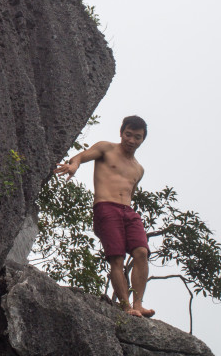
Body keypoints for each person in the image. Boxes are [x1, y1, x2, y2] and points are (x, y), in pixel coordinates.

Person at [53, 115, 155, 318]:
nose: (131, 140)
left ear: (142, 140)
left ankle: (138, 304)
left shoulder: (138, 169)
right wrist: (74, 165)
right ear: (121, 132)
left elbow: (130, 192)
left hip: (128, 211)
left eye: (137, 137)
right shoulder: (106, 148)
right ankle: (126, 307)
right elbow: (81, 156)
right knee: (116, 258)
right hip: (106, 207)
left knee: (142, 252)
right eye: (128, 135)